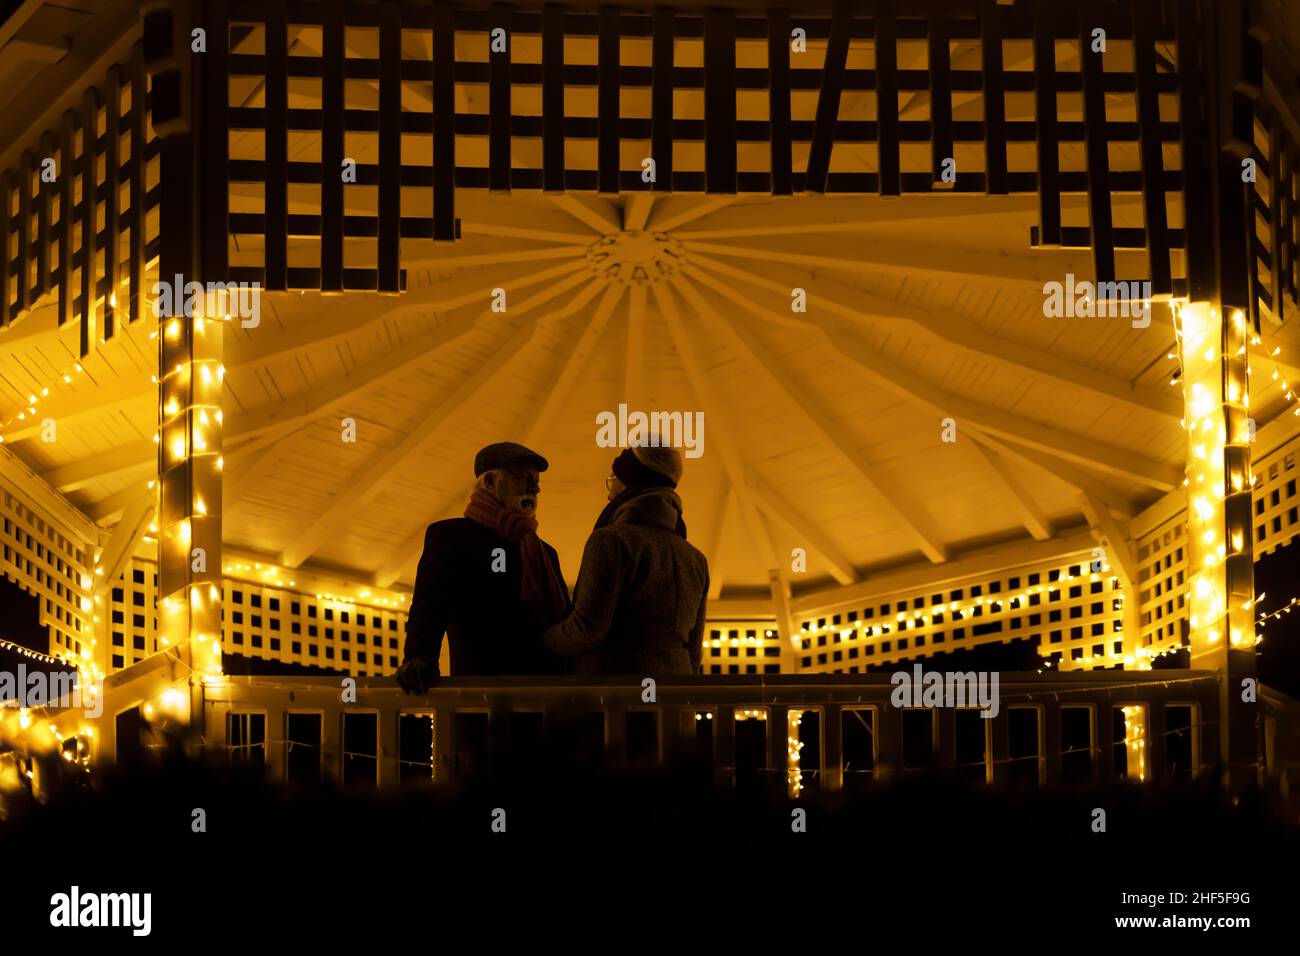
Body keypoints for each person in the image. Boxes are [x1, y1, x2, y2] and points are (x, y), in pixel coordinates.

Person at [396, 442, 571, 692]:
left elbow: (563, 621)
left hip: (544, 699)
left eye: (536, 479)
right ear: (490, 482)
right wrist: (419, 657)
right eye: (524, 477)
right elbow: (430, 604)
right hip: (480, 696)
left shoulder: (545, 552)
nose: (536, 488)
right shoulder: (450, 537)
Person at [544, 443, 709, 674]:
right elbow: (694, 649)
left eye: (614, 479)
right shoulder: (695, 559)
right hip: (675, 692)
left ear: (631, 484)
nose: (609, 493)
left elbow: (587, 630)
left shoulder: (611, 541)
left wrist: (543, 638)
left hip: (618, 691)